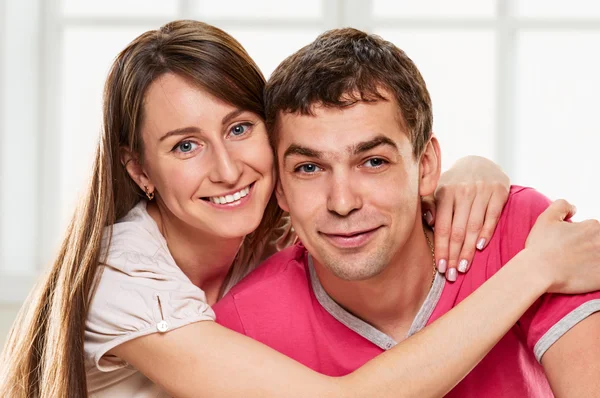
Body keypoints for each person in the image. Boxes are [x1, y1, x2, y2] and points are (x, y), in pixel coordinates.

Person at [1, 20, 599, 398]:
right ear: (138, 171)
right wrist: (532, 270)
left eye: (238, 129)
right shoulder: (122, 279)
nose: (227, 169)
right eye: (184, 145)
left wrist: (476, 178)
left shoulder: (271, 219)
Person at [213, 28, 600, 397]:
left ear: (427, 166)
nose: (342, 202)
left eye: (374, 161)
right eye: (309, 169)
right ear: (280, 186)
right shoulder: (244, 325)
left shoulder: (523, 235)